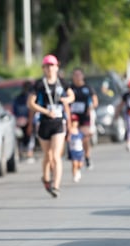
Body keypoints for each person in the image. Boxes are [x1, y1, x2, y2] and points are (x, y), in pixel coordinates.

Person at [27, 54, 74, 198]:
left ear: (57, 67)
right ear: (43, 68)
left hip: (59, 122)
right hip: (44, 122)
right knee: (47, 155)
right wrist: (46, 111)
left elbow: (72, 96)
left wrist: (66, 100)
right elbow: (31, 103)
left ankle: (56, 185)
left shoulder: (62, 83)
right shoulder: (39, 84)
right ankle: (45, 177)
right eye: (47, 66)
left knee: (56, 155)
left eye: (52, 65)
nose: (49, 68)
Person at [70, 68, 98, 169]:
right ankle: (75, 156)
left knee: (85, 138)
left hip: (85, 115)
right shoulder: (70, 88)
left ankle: (87, 156)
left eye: (79, 75)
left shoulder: (88, 88)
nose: (77, 77)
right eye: (75, 75)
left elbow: (95, 101)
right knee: (74, 136)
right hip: (73, 116)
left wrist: (91, 107)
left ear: (82, 76)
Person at [12, 80, 36, 163]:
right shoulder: (30, 97)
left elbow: (14, 110)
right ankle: (27, 153)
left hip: (22, 121)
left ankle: (23, 153)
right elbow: (31, 110)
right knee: (27, 137)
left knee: (24, 137)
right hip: (26, 121)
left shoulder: (19, 97)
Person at [68, 114, 84, 182]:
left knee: (80, 164)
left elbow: (82, 140)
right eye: (72, 121)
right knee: (74, 164)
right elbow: (67, 139)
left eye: (75, 121)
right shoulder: (69, 132)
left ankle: (78, 171)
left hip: (80, 150)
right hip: (73, 150)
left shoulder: (79, 131)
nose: (73, 123)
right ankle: (74, 175)